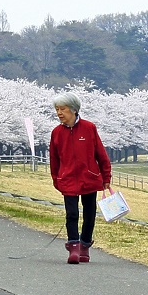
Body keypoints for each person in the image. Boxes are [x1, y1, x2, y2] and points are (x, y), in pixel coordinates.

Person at [48, 92, 111, 265]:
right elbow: (54, 159)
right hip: (67, 179)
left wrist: (106, 176)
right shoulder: (56, 133)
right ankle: (73, 246)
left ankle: (84, 245)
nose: (59, 113)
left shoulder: (89, 128)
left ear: (74, 110)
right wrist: (56, 179)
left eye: (63, 109)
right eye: (57, 109)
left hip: (89, 178)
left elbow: (101, 154)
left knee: (89, 215)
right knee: (72, 214)